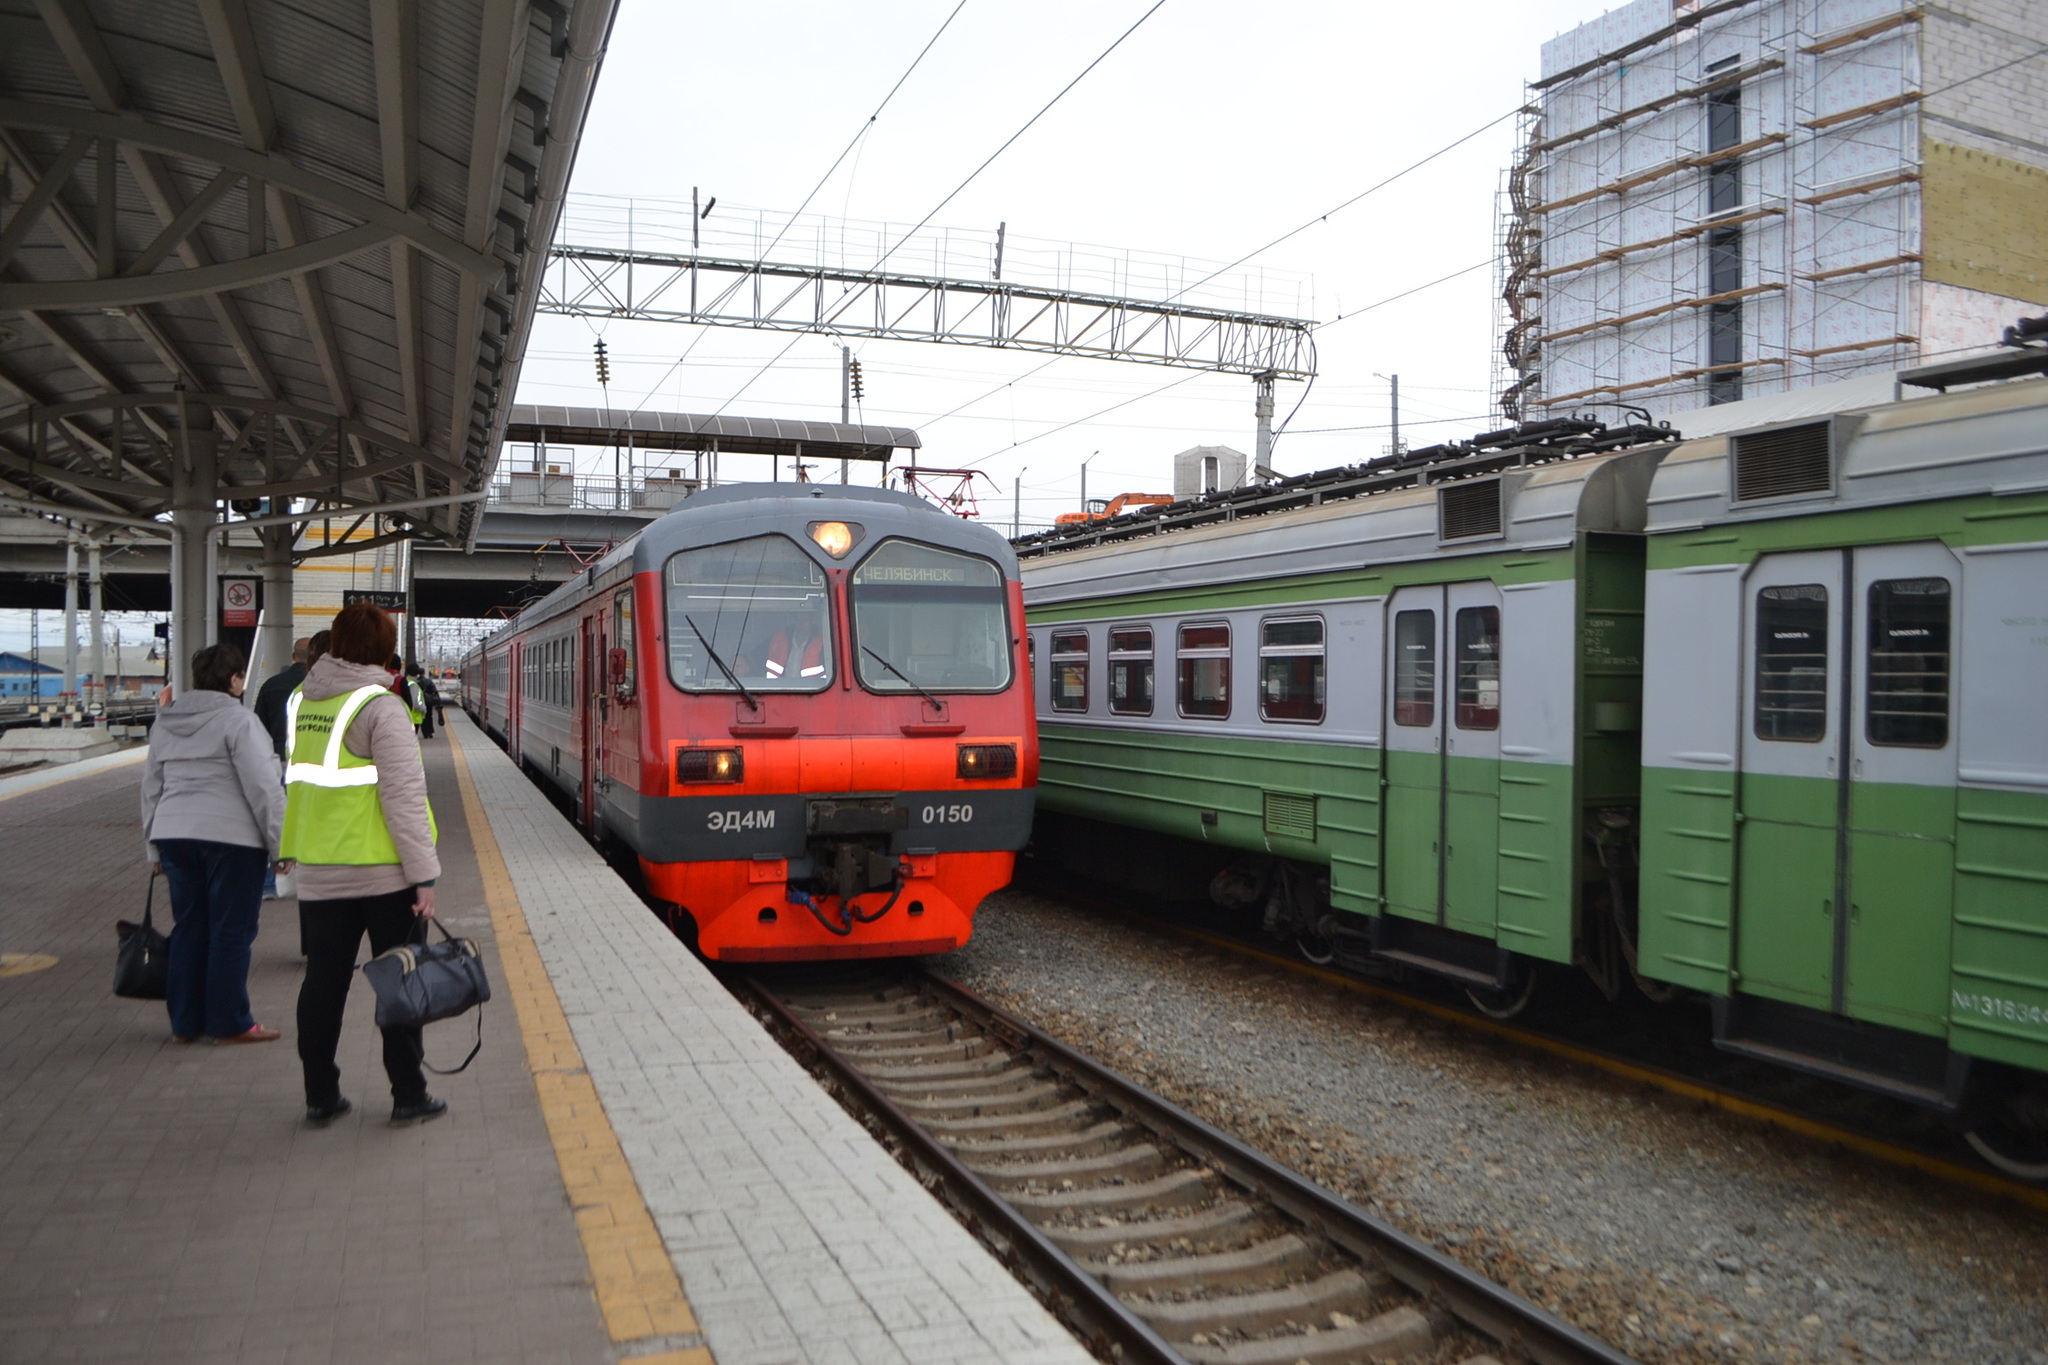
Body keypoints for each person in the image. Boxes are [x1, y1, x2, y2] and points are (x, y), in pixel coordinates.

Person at [284, 604, 444, 1127]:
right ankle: (408, 1093)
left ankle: (320, 1096)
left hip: (320, 869)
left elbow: (297, 781)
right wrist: (423, 874)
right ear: (382, 651)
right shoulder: (380, 706)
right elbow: (403, 797)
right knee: (398, 981)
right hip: (382, 872)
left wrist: (287, 848)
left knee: (323, 983)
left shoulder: (303, 702)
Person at [140, 642, 288, 1044]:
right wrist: (282, 846)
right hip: (231, 839)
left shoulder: (165, 723)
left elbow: (151, 787)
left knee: (189, 928)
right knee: (231, 931)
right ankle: (230, 1022)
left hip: (174, 836)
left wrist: (154, 848)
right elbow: (264, 789)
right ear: (235, 680)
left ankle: (186, 1024)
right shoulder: (238, 722)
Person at [252, 637, 310, 901]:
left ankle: (266, 883)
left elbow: (258, 727)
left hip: (275, 760)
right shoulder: (318, 686)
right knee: (303, 821)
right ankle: (304, 878)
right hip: (308, 763)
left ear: (293, 655)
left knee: (273, 820)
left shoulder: (271, 685)